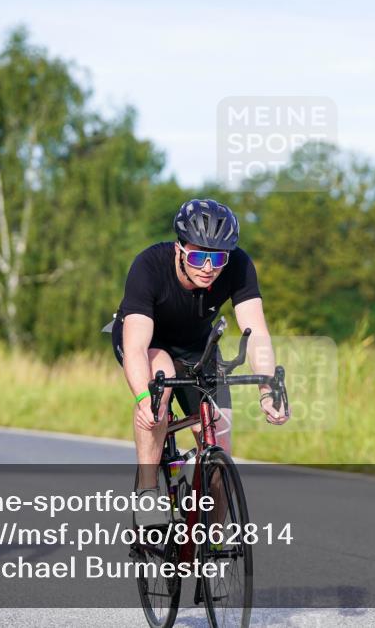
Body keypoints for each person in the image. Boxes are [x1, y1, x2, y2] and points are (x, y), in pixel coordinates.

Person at [111, 199, 288, 525]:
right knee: (158, 390)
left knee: (219, 437)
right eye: (198, 257)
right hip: (149, 342)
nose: (208, 267)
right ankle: (149, 491)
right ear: (179, 249)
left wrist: (267, 389)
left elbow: (257, 332)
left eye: (217, 258)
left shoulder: (239, 265)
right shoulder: (149, 265)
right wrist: (144, 399)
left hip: (197, 346)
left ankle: (212, 539)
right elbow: (135, 347)